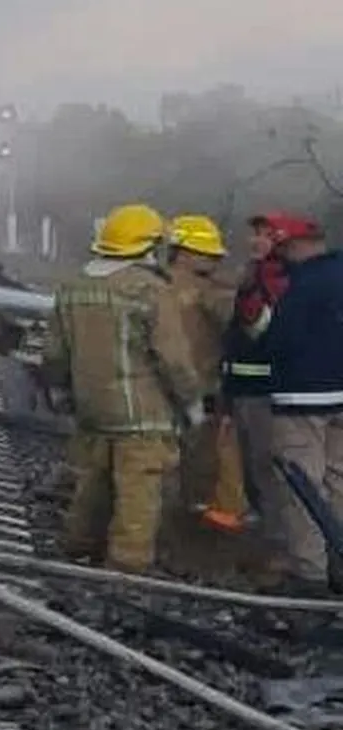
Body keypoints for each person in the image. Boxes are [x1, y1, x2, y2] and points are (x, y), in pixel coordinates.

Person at [43, 204, 204, 573]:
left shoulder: (74, 286)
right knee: (139, 490)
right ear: (148, 246)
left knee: (92, 482)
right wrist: (191, 401)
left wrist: (61, 391)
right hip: (143, 414)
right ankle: (126, 565)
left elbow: (54, 351)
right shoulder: (148, 288)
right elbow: (173, 357)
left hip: (91, 408)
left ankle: (78, 545)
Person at [260, 214, 343, 593]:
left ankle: (309, 574)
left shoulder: (303, 286)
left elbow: (278, 341)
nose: (281, 257)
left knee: (302, 485)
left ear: (296, 246)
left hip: (302, 399)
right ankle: (339, 564)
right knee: (339, 480)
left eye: (282, 249)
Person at [166, 215, 246, 549]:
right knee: (200, 461)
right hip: (200, 390)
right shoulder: (213, 292)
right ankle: (188, 527)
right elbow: (243, 326)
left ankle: (166, 522)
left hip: (156, 389)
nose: (211, 261)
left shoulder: (152, 285)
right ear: (182, 251)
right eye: (205, 254)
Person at [220, 214, 290, 575]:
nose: (256, 240)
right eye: (254, 234)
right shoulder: (251, 276)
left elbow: (260, 335)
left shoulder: (279, 281)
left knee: (268, 472)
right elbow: (235, 340)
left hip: (268, 394)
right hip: (245, 391)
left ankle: (279, 549)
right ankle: (267, 538)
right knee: (252, 472)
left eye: (265, 235)